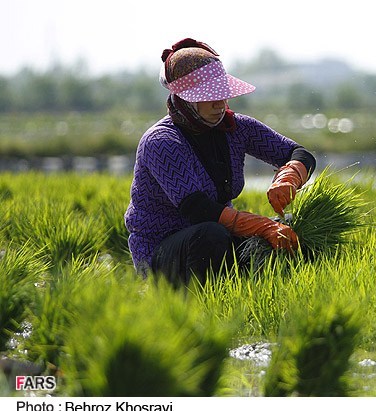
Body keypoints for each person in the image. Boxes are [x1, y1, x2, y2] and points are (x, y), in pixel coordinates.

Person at [124, 38, 316, 287]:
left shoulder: (236, 128)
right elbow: (197, 209)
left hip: (221, 234)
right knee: (210, 235)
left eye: (222, 95)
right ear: (186, 100)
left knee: (292, 235)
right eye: (210, 97)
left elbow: (300, 153)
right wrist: (261, 225)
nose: (220, 104)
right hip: (163, 250)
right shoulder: (162, 141)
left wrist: (290, 174)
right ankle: (194, 309)